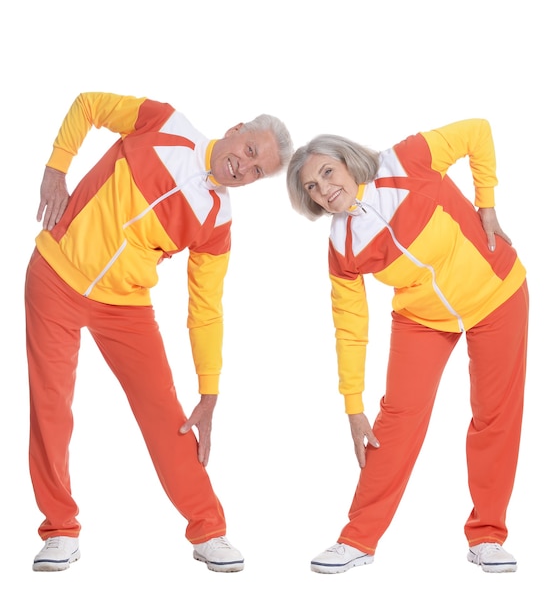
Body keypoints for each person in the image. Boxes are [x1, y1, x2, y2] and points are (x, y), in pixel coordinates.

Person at [26, 91, 293, 573]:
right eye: (250, 152)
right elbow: (88, 105)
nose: (244, 169)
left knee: (166, 415)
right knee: (50, 404)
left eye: (257, 172)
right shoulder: (163, 123)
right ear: (236, 130)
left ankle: (208, 529)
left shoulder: (218, 221)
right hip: (56, 275)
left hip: (124, 306)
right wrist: (56, 169)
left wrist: (209, 392)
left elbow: (206, 308)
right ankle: (60, 530)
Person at [286, 119, 528, 574]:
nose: (323, 188)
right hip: (423, 318)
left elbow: (478, 131)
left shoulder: (405, 161)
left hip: (496, 293)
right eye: (313, 187)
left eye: (327, 173)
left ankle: (488, 536)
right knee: (397, 418)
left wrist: (487, 206)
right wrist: (353, 406)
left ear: (346, 161)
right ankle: (357, 539)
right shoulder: (342, 243)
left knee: (494, 413)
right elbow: (350, 326)